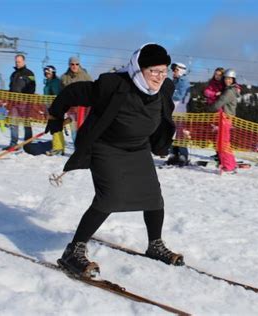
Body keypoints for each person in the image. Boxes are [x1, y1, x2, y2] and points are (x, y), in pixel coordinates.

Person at [46, 43, 183, 278]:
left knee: (153, 197)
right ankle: (73, 250)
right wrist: (56, 115)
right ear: (139, 69)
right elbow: (72, 92)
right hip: (106, 147)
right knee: (110, 198)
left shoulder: (165, 87)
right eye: (154, 71)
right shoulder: (113, 85)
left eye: (163, 71)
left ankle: (155, 244)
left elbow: (164, 114)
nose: (160, 77)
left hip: (138, 148)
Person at [209, 68, 240, 173]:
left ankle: (229, 166)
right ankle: (230, 164)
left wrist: (211, 108)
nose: (228, 81)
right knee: (223, 143)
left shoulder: (229, 91)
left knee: (224, 143)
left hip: (226, 119)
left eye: (230, 79)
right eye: (226, 79)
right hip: (225, 118)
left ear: (233, 80)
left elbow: (220, 102)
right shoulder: (229, 90)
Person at [5, 54, 36, 150]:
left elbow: (32, 86)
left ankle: (28, 142)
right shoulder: (14, 74)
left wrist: (26, 98)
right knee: (13, 123)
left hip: (24, 102)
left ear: (24, 62)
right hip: (14, 102)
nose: (17, 63)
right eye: (16, 62)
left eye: (19, 61)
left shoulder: (29, 73)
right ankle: (13, 143)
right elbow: (11, 87)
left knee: (26, 123)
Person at [60, 56, 93, 145]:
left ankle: (84, 150)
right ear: (69, 65)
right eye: (72, 64)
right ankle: (77, 150)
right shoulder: (64, 77)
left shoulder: (85, 76)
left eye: (77, 64)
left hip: (83, 108)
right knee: (74, 131)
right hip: (72, 108)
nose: (74, 66)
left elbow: (92, 89)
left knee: (83, 130)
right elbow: (61, 93)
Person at [166, 62, 191, 166]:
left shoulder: (184, 81)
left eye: (175, 70)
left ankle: (183, 155)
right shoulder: (175, 81)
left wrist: (168, 92)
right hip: (174, 111)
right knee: (172, 133)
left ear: (180, 70)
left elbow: (179, 95)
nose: (173, 72)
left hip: (181, 111)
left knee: (180, 134)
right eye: (173, 70)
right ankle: (173, 154)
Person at [43, 65, 65, 156]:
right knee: (55, 127)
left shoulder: (55, 82)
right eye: (46, 73)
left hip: (56, 107)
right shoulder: (49, 82)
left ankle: (57, 148)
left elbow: (56, 94)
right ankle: (60, 148)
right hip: (51, 107)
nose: (47, 74)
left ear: (53, 73)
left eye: (49, 73)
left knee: (55, 127)